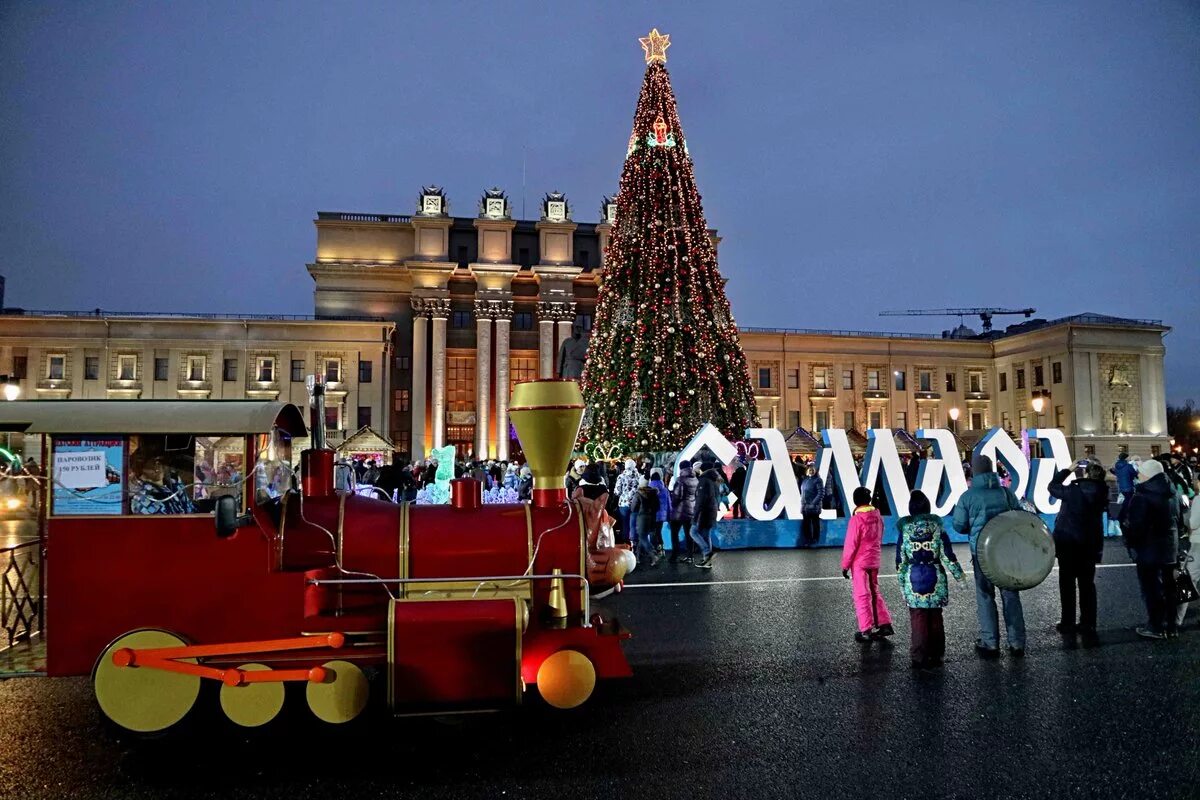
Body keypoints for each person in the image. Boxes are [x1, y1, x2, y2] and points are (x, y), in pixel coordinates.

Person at [952, 453, 1026, 658]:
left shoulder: (968, 496)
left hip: (982, 552)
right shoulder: (1005, 493)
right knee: (1011, 594)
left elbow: (958, 525)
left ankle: (990, 641)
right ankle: (1017, 641)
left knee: (985, 596)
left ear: (974, 472)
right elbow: (1018, 515)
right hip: (1006, 550)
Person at [896, 490, 965, 668]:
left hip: (914, 577)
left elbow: (900, 560)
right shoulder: (937, 527)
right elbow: (948, 556)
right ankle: (937, 654)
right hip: (935, 575)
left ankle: (919, 656)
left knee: (918, 617)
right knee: (935, 616)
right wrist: (960, 577)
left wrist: (902, 583)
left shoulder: (904, 529)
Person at [1120, 459, 1184, 639]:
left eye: (1140, 473)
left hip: (1148, 549)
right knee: (1170, 589)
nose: (1138, 476)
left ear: (1148, 475)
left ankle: (1155, 626)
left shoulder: (1142, 495)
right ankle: (1171, 627)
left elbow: (1136, 526)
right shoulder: (1171, 492)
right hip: (1170, 548)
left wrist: (1130, 542)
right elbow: (1178, 519)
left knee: (1151, 589)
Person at [1047, 462, 1109, 646]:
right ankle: (1088, 623)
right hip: (1089, 543)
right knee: (1087, 585)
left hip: (1068, 542)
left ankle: (1068, 622)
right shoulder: (1102, 492)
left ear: (1086, 472)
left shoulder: (1074, 490)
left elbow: (1052, 487)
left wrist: (1069, 469)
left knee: (1067, 584)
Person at [841, 487, 893, 642]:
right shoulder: (878, 517)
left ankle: (866, 630)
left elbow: (851, 545)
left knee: (862, 595)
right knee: (875, 592)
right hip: (874, 559)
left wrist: (845, 565)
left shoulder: (856, 520)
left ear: (855, 501)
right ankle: (885, 624)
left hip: (860, 562)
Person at [692, 461, 723, 569]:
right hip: (712, 511)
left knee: (693, 532)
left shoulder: (703, 481)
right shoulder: (714, 480)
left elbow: (700, 500)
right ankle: (707, 561)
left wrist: (695, 516)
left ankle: (707, 553)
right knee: (706, 534)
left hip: (704, 512)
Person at [668, 460, 699, 564]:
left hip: (679, 511)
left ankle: (674, 555)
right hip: (691, 509)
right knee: (689, 534)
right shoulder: (695, 479)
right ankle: (690, 556)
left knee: (674, 533)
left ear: (681, 468)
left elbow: (677, 496)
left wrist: (673, 504)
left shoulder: (680, 480)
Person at [630, 477, 660, 567]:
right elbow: (658, 507)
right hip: (652, 517)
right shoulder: (654, 493)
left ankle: (653, 554)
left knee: (642, 537)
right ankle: (637, 557)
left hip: (642, 517)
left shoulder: (638, 494)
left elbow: (633, 508)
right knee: (642, 537)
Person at [614, 459, 641, 545]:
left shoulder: (621, 477)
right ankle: (635, 543)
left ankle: (626, 543)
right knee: (634, 523)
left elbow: (617, 491)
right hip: (636, 503)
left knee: (625, 523)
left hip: (624, 504)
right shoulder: (639, 476)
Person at [800, 466, 824, 546]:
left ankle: (815, 541)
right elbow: (803, 494)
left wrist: (813, 504)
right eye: (809, 469)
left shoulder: (818, 480)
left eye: (812, 469)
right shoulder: (805, 480)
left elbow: (821, 493)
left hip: (814, 507)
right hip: (805, 507)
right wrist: (802, 505)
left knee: (815, 524)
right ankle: (808, 540)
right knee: (806, 525)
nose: (810, 471)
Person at [649, 469, 672, 555]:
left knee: (652, 531)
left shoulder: (649, 489)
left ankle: (653, 548)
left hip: (651, 514)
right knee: (658, 531)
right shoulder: (665, 489)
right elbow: (669, 503)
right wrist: (669, 516)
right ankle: (661, 547)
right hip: (662, 515)